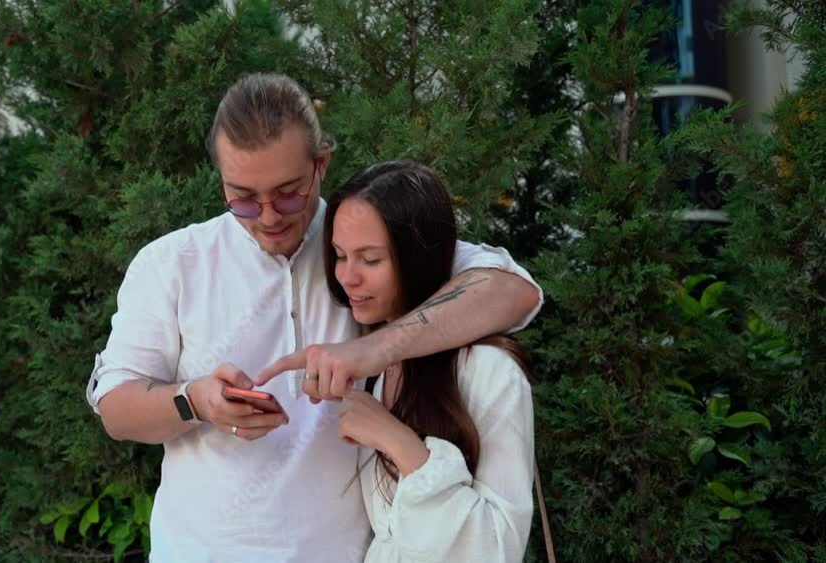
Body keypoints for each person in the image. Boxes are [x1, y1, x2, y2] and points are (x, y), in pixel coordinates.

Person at [84, 73, 543, 563]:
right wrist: (194, 401)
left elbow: (512, 290)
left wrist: (369, 349)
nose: (267, 216)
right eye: (241, 197)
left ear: (320, 164)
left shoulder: (360, 237)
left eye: (287, 194)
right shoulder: (172, 262)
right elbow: (115, 407)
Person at [323, 160, 535, 562]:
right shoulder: (376, 367)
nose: (347, 277)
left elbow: (497, 549)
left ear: (417, 258)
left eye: (370, 260)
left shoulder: (488, 370)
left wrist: (396, 440)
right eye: (339, 255)